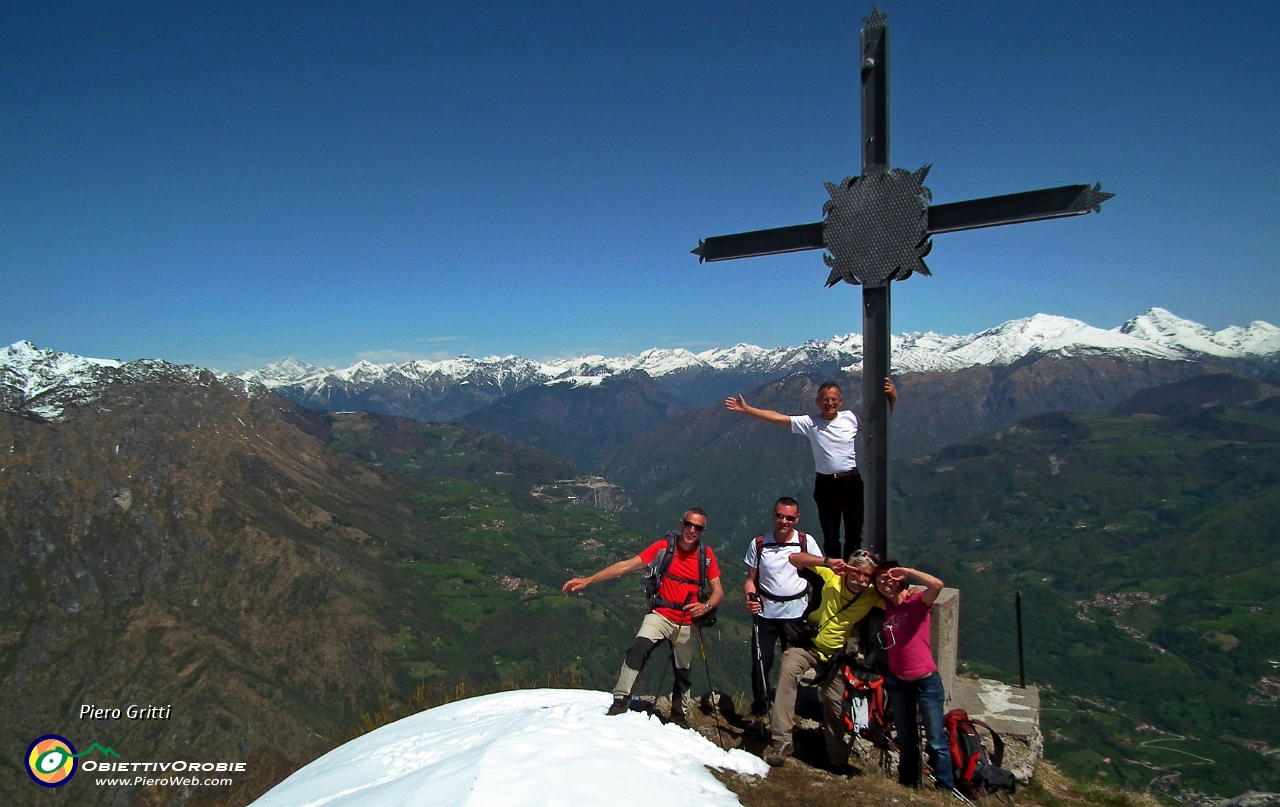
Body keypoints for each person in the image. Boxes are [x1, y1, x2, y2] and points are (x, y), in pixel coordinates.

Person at [562, 509, 723, 727]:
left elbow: (718, 591)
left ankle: (679, 714)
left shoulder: (706, 555)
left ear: (704, 531)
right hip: (661, 614)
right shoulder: (664, 548)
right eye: (688, 524)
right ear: (681, 523)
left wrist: (706, 606)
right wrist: (589, 580)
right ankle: (620, 699)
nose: (692, 530)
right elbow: (626, 566)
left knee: (683, 669)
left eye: (698, 527)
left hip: (688, 620)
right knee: (638, 649)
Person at [725, 379, 898, 560]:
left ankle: (851, 574)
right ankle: (834, 573)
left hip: (851, 481)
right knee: (831, 535)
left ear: (840, 402)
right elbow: (777, 417)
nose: (829, 403)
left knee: (854, 534)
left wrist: (892, 398)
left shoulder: (852, 418)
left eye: (833, 399)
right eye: (825, 399)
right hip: (826, 484)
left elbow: (880, 422)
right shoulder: (810, 422)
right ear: (818, 402)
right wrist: (747, 409)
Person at [765, 552, 883, 771]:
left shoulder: (871, 594)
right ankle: (781, 741)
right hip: (806, 646)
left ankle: (837, 759)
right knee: (788, 670)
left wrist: (900, 574)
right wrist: (827, 562)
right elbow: (794, 559)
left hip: (835, 656)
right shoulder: (832, 576)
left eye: (867, 575)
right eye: (857, 572)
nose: (861, 579)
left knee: (835, 703)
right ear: (848, 568)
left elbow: (902, 597)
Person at [873, 562, 955, 791]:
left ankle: (945, 787)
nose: (884, 585)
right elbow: (860, 583)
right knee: (906, 739)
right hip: (898, 682)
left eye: (889, 580)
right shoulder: (888, 607)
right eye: (880, 582)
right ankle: (907, 783)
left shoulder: (917, 602)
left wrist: (907, 572)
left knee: (936, 740)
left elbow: (937, 585)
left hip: (926, 682)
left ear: (900, 581)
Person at [743, 497, 823, 725]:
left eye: (789, 517)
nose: (784, 521)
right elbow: (750, 579)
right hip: (766, 613)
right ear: (773, 515)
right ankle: (761, 709)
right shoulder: (759, 544)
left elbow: (820, 572)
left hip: (797, 614)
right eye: (780, 516)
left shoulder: (806, 542)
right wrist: (750, 596)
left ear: (797, 518)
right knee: (760, 664)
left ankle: (788, 710)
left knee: (792, 667)